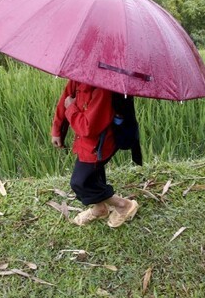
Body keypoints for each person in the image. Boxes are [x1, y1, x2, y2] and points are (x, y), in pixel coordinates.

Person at [51, 79, 139, 227]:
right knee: (94, 175)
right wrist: (57, 130)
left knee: (80, 183)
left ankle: (123, 205)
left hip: (98, 146)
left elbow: (88, 128)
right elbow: (64, 98)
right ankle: (100, 208)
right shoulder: (78, 76)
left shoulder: (103, 89)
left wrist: (71, 107)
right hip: (85, 143)